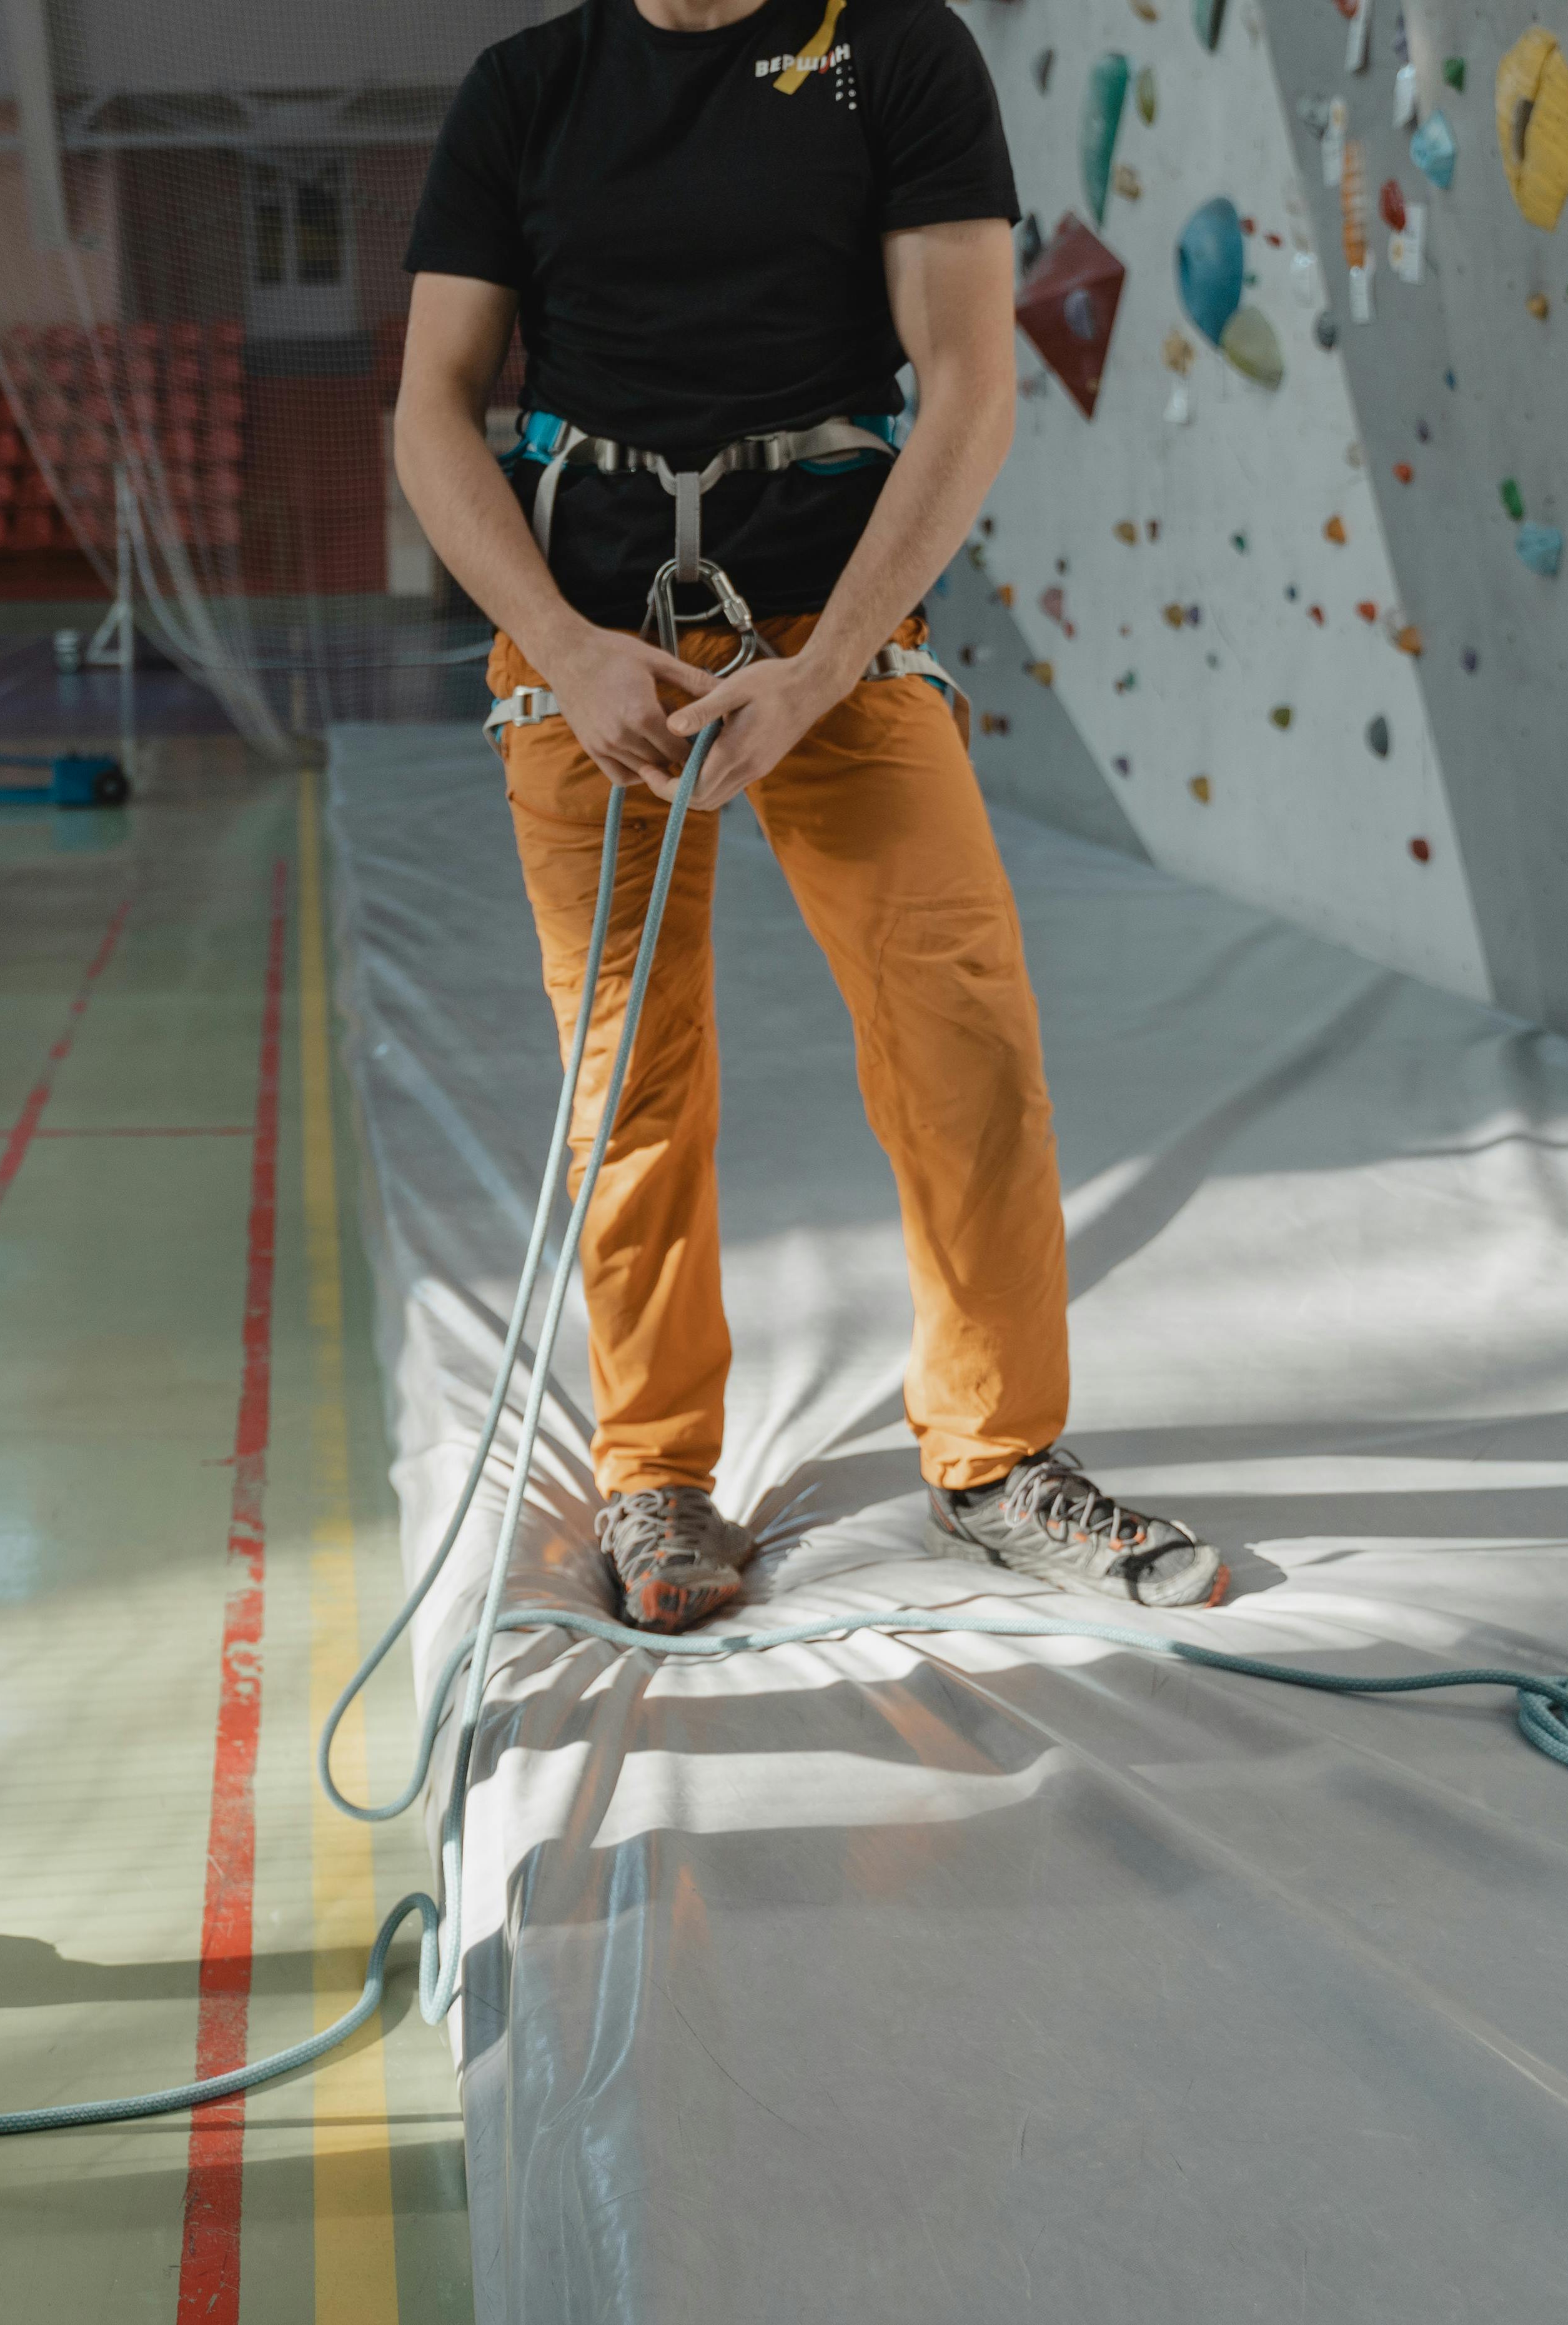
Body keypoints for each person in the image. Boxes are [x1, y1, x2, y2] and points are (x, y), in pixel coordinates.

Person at [391, 0, 1226, 1635]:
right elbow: (433, 405)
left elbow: (973, 374)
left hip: (832, 635)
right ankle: (656, 1464)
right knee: (627, 1065)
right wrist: (564, 652)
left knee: (961, 1023)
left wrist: (830, 664)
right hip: (593, 644)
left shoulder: (897, 54)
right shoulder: (527, 92)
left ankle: (996, 1454)